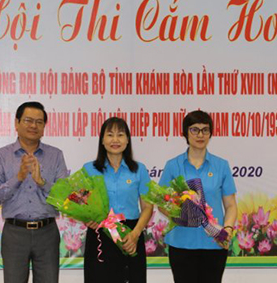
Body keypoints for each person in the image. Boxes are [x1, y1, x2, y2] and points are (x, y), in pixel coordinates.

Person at [0, 101, 68, 283]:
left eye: (39, 122)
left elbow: (65, 198)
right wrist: (19, 177)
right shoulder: (1, 156)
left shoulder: (55, 155)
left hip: (47, 233)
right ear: (16, 123)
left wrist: (42, 182)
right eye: (28, 120)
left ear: (44, 127)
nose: (34, 126)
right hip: (15, 233)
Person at [159, 110, 237, 283]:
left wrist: (228, 229)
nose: (200, 134)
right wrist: (182, 215)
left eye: (205, 130)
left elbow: (231, 205)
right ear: (186, 133)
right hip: (181, 243)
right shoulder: (173, 166)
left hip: (214, 243)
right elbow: (161, 203)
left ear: (210, 134)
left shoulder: (221, 165)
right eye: (194, 129)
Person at [82, 117, 153, 283]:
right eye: (110, 135)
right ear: (102, 140)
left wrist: (135, 234)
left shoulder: (139, 169)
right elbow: (79, 202)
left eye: (120, 135)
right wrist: (87, 218)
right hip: (100, 233)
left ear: (127, 140)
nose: (115, 140)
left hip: (130, 235)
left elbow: (147, 207)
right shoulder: (89, 169)